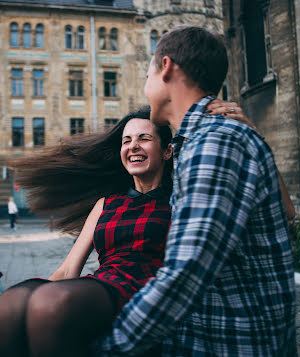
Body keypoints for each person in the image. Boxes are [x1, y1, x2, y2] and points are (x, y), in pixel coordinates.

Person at [96, 26, 297, 356]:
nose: (145, 89)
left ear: (166, 67)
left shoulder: (214, 142)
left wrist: (109, 347)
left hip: (231, 341)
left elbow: (185, 273)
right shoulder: (196, 143)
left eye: (148, 75)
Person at [0, 108, 173, 357]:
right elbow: (69, 270)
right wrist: (35, 297)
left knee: (49, 304)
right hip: (104, 286)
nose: (133, 146)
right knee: (10, 306)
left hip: (146, 293)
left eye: (144, 139)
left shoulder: (180, 201)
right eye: (127, 141)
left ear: (167, 150)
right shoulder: (106, 203)